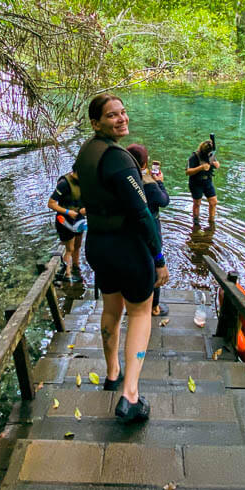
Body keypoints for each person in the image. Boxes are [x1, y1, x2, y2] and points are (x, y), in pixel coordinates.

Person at [75, 94, 169, 423]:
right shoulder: (119, 159)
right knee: (140, 313)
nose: (121, 118)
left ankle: (112, 372)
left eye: (123, 112)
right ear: (96, 122)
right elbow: (142, 214)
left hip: (98, 246)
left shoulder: (86, 152)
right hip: (128, 249)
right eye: (112, 115)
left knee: (111, 309)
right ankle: (130, 395)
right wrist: (158, 257)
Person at [126, 143, 170, 317]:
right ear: (144, 164)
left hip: (129, 233)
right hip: (150, 231)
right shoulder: (149, 184)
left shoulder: (123, 180)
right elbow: (164, 201)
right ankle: (154, 307)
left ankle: (131, 302)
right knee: (154, 268)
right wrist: (160, 183)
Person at [46, 168, 85, 282]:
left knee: (77, 245)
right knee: (69, 248)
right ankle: (67, 275)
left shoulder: (84, 182)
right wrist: (68, 212)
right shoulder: (64, 184)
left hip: (79, 218)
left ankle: (76, 267)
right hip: (64, 220)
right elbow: (51, 204)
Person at [186, 139, 219, 224]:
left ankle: (211, 221)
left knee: (213, 202)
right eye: (208, 153)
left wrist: (216, 164)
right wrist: (201, 167)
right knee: (197, 203)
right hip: (196, 183)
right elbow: (188, 172)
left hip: (208, 181)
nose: (209, 155)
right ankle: (196, 222)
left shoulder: (211, 154)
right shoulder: (194, 157)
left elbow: (216, 163)